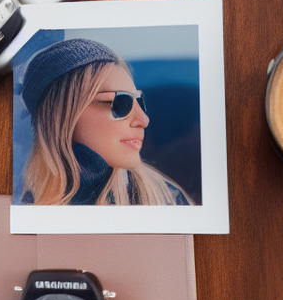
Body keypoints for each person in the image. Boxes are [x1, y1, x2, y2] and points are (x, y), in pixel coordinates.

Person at [20, 37, 192, 206]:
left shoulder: (166, 199)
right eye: (120, 102)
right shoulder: (29, 209)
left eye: (140, 101)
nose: (144, 120)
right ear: (64, 114)